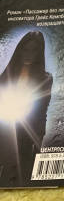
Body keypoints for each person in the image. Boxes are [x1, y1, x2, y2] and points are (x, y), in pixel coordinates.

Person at [0, 31, 53, 184]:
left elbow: (43, 109)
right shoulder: (6, 74)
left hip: (27, 128)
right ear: (19, 50)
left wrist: (40, 136)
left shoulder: (46, 78)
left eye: (34, 50)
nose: (29, 54)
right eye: (25, 49)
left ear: (39, 53)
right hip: (5, 124)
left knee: (18, 173)